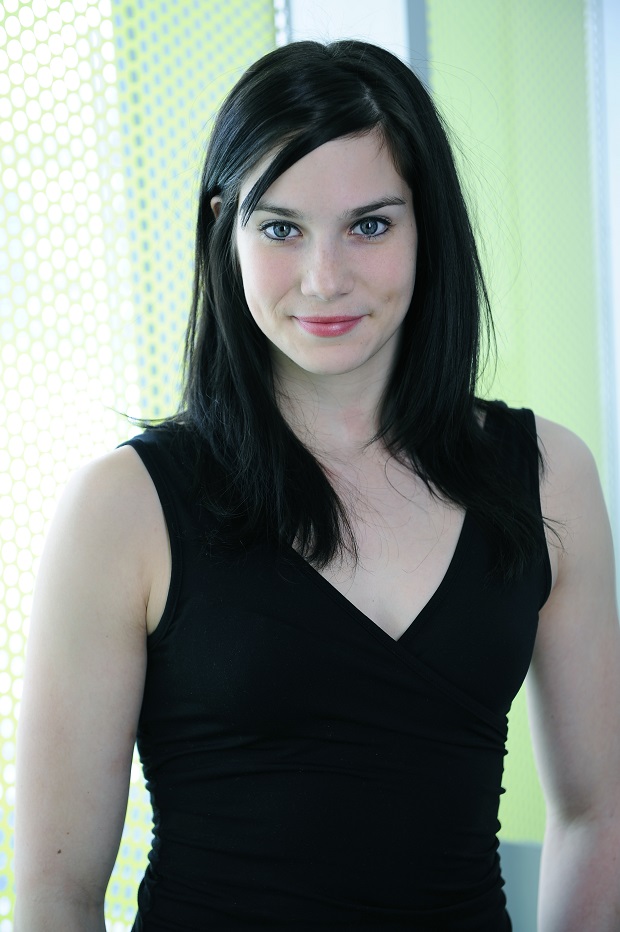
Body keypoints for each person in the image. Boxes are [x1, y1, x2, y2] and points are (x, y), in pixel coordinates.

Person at [14, 39, 620, 932]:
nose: (325, 279)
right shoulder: (123, 507)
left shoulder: (548, 476)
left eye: (369, 226)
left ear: (428, 226)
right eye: (281, 228)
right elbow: (55, 898)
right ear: (225, 229)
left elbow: (598, 814)